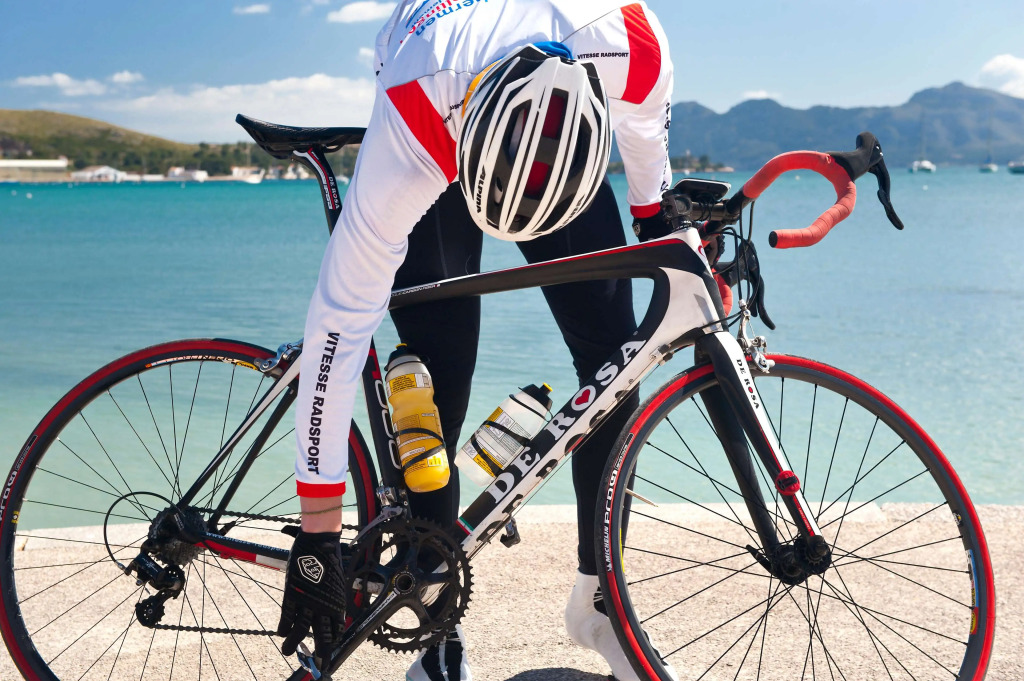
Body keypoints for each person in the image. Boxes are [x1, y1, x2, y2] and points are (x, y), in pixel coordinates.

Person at [276, 2, 688, 679]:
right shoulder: (414, 112)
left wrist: (670, 235)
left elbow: (652, 190)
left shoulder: (632, 45)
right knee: (435, 373)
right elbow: (338, 325)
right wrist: (317, 530)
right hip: (448, 105)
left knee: (618, 360)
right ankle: (433, 610)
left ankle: (601, 602)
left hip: (553, 120)